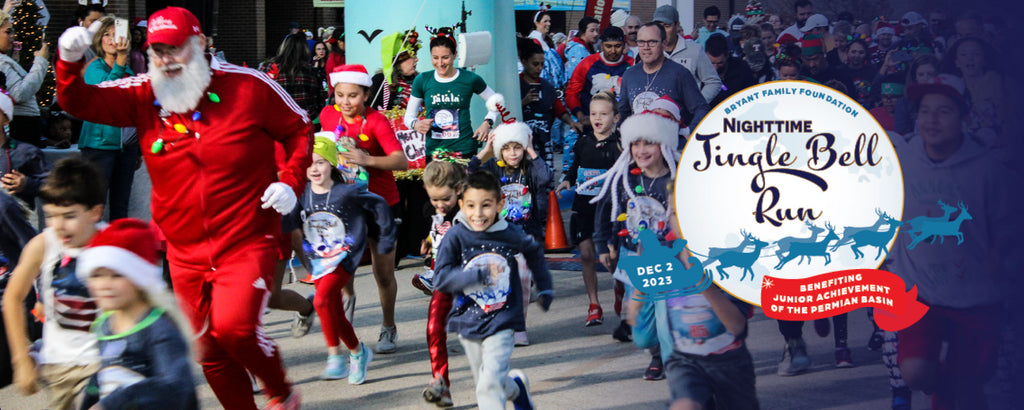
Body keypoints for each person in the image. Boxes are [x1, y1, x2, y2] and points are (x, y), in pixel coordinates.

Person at [56, 7, 309, 408]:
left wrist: (291, 180)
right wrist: (69, 62)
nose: (166, 59)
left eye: (175, 48)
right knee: (206, 350)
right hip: (184, 251)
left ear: (201, 44)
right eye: (157, 50)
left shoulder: (250, 85)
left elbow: (298, 128)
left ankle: (280, 391)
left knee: (235, 328)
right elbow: (79, 101)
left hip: (245, 238)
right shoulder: (144, 91)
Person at [889, 73, 1011, 410]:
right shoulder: (902, 161)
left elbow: (1007, 222)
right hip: (919, 290)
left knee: (969, 387)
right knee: (915, 373)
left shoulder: (987, 168)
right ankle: (951, 389)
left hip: (975, 295)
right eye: (925, 110)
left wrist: (999, 256)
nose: (932, 119)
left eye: (944, 111)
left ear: (964, 116)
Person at [433, 170, 554, 410]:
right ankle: (516, 389)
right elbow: (441, 279)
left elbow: (533, 252)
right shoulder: (456, 236)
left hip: (503, 317)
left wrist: (545, 286)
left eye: (486, 205)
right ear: (461, 205)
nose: (478, 214)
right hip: (469, 320)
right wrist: (474, 276)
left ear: (500, 204)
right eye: (471, 205)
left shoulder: (510, 233)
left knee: (488, 385)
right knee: (489, 380)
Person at [582, 110, 680, 381]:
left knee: (666, 319)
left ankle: (677, 370)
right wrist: (603, 245)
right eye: (635, 143)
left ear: (665, 144)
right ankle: (656, 354)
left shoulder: (677, 180)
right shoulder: (626, 179)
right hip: (635, 259)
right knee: (641, 332)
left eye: (648, 142)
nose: (641, 149)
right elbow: (605, 210)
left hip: (671, 261)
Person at [318, 64, 408, 354]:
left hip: (381, 204)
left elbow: (401, 161)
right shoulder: (327, 115)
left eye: (353, 95)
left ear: (367, 94)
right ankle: (349, 302)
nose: (345, 102)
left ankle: (388, 327)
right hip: (345, 203)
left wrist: (365, 159)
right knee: (342, 266)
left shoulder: (376, 121)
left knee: (383, 273)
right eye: (340, 94)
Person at [288, 135, 393, 383]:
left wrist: (386, 237)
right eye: (309, 163)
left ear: (332, 164)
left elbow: (379, 204)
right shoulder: (301, 195)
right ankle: (358, 352)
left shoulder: (346, 192)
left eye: (321, 162)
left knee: (322, 301)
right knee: (333, 310)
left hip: (344, 257)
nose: (314, 168)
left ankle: (335, 356)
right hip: (318, 260)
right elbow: (290, 220)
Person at [2, 157, 104, 410]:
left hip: (105, 364)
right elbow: (13, 298)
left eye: (69, 216)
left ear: (95, 212)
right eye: (50, 215)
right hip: (59, 366)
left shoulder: (113, 244)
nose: (58, 225)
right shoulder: (43, 244)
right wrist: (21, 359)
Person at [75, 218, 198, 410]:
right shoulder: (105, 325)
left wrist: (115, 401)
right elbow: (100, 378)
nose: (105, 284)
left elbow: (177, 388)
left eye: (117, 275)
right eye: (97, 275)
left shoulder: (159, 328)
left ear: (139, 278)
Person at [555, 91, 624, 330]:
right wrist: (567, 179)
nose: (597, 118)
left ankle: (619, 285)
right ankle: (594, 305)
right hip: (584, 205)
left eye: (604, 114)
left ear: (615, 117)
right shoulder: (583, 141)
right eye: (594, 114)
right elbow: (577, 165)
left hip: (610, 209)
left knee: (612, 256)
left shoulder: (620, 144)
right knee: (586, 254)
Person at [405, 27, 501, 159]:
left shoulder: (469, 79)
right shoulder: (422, 80)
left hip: (464, 150)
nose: (440, 63)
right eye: (435, 58)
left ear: (454, 55)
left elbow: (497, 102)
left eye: (445, 57)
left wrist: (487, 123)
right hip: (434, 153)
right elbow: (408, 117)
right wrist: (416, 124)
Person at [78, 17, 139, 222]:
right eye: (107, 34)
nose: (113, 39)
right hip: (99, 146)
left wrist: (136, 148)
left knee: (121, 206)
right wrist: (121, 60)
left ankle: (118, 248)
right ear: (99, 40)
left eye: (117, 34)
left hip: (125, 148)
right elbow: (108, 95)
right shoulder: (94, 68)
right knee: (95, 206)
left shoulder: (129, 72)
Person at [415, 158, 465, 407]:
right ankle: (441, 383)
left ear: (458, 189)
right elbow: (437, 231)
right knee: (434, 327)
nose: (440, 205)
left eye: (445, 199)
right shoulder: (433, 212)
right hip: (444, 281)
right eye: (434, 199)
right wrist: (428, 241)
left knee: (481, 340)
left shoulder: (469, 211)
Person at [618, 22, 710, 146]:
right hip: (640, 150)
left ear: (664, 43)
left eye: (652, 42)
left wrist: (690, 132)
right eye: (641, 42)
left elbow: (701, 108)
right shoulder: (630, 75)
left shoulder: (679, 74)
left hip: (672, 148)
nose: (646, 47)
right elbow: (624, 112)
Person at [564, 26, 632, 171]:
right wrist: (580, 115)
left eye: (617, 46)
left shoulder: (632, 64)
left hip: (622, 128)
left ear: (624, 45)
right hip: (594, 126)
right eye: (608, 46)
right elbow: (571, 92)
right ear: (601, 45)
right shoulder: (588, 63)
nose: (613, 51)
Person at [518, 39, 580, 171]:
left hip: (544, 141)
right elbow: (508, 110)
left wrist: (571, 122)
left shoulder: (547, 85)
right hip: (521, 143)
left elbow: (558, 108)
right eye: (535, 64)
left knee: (545, 178)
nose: (539, 68)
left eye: (542, 64)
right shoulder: (516, 84)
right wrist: (524, 101)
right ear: (524, 62)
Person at [0, 10, 50, 147]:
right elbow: (20, 94)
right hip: (21, 124)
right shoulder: (1, 62)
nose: (12, 36)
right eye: (7, 31)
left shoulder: (4, 60)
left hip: (22, 123)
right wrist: (41, 61)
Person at [653, 5, 722, 104]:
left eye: (667, 26)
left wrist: (697, 104)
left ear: (677, 26)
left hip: (688, 116)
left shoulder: (695, 50)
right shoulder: (650, 51)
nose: (662, 31)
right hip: (657, 115)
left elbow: (713, 82)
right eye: (659, 26)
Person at [0, 91, 48, 208]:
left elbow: (54, 186)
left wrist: (27, 184)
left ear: (6, 119)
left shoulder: (25, 152)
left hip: (13, 222)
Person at [262, 33, 327, 118]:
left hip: (274, 120)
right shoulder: (310, 71)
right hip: (303, 121)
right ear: (305, 50)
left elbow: (260, 95)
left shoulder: (268, 67)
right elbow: (320, 101)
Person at [705, 34, 757, 108]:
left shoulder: (742, 69)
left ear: (727, 55)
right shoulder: (698, 70)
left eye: (720, 63)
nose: (715, 68)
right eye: (711, 63)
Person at [893, 54, 938, 135]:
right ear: (915, 77)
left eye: (930, 74)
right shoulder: (904, 103)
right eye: (921, 75)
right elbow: (902, 134)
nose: (926, 78)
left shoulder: (948, 100)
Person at [837, 39, 876, 109]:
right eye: (853, 52)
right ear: (847, 52)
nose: (857, 55)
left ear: (866, 53)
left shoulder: (872, 70)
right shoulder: (840, 71)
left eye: (861, 52)